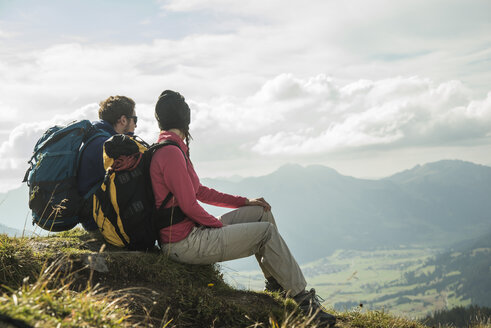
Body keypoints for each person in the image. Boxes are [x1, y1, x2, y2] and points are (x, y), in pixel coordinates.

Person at [149, 90, 336, 327]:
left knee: (261, 213)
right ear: (186, 119)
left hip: (188, 233)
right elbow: (189, 204)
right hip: (183, 243)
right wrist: (216, 227)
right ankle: (304, 302)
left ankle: (277, 283)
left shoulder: (172, 149)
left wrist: (244, 201)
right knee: (266, 232)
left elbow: (199, 191)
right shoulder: (171, 153)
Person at [77, 95, 138, 231]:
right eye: (135, 120)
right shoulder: (106, 146)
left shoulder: (96, 138)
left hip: (92, 217)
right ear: (123, 120)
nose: (135, 125)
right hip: (99, 222)